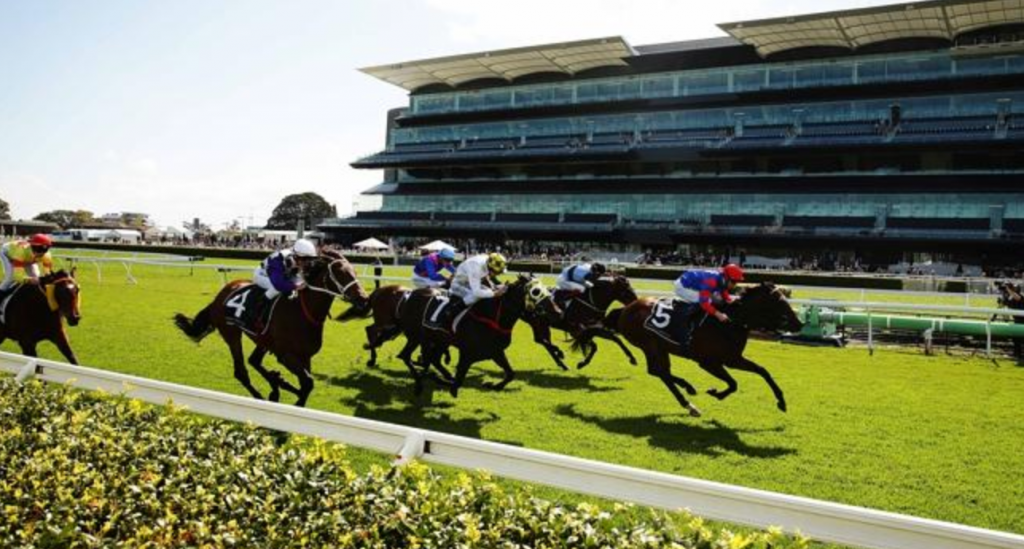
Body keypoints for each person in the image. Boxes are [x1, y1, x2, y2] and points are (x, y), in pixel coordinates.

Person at [442, 252, 507, 325]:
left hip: (468, 282)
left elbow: (486, 276)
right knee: (477, 296)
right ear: (490, 268)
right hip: (458, 285)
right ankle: (452, 310)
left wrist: (495, 286)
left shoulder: (487, 261)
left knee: (488, 290)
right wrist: (495, 293)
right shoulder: (476, 267)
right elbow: (477, 292)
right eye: (497, 272)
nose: (498, 274)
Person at [673, 263, 744, 323]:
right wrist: (719, 314)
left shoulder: (721, 278)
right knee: (708, 300)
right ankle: (686, 319)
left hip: (691, 282)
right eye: (733, 282)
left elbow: (723, 289)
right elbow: (704, 303)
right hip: (682, 286)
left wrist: (728, 299)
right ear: (726, 278)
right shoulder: (711, 282)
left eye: (736, 282)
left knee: (716, 298)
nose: (734, 285)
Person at [252, 238, 318, 300]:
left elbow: (297, 278)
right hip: (262, 275)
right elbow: (278, 283)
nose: (307, 262)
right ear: (296, 256)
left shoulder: (294, 259)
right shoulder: (279, 259)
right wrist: (295, 286)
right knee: (276, 289)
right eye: (305, 259)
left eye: (309, 259)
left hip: (279, 275)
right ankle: (260, 304)